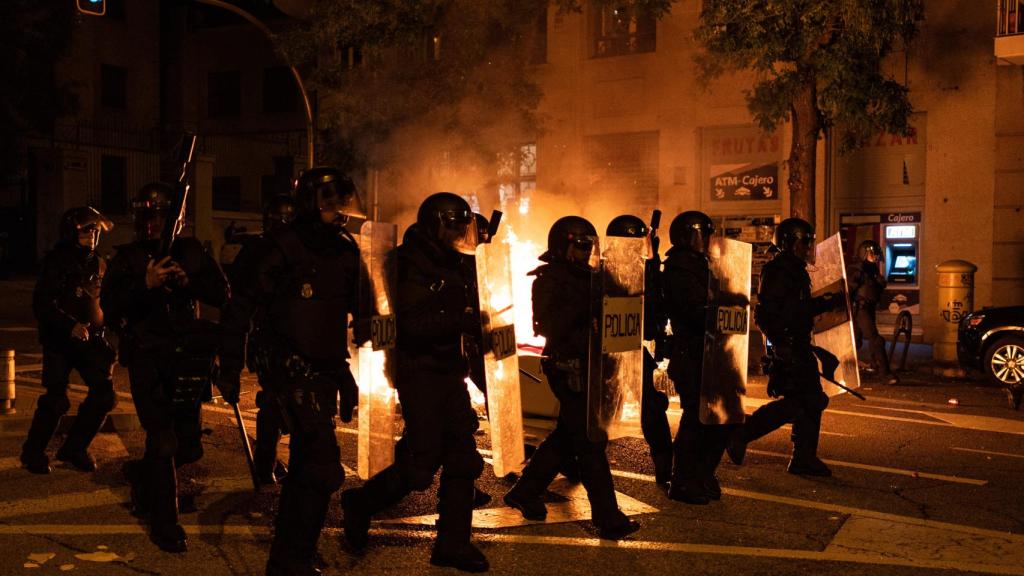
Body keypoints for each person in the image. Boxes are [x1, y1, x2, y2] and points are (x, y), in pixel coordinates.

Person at [219, 168, 363, 576]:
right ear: (311, 203)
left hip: (324, 369)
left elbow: (343, 316)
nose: (340, 211)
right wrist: (229, 366)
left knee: (305, 468)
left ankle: (291, 555)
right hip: (286, 365)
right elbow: (238, 310)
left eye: (343, 202)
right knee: (323, 467)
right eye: (331, 202)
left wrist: (345, 374)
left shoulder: (345, 251)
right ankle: (291, 557)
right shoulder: (277, 249)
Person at [340, 193, 489, 573]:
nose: (459, 231)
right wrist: (461, 319)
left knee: (463, 461)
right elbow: (411, 326)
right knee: (421, 466)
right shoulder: (408, 263)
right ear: (435, 223)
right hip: (418, 372)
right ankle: (360, 504)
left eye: (463, 224)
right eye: (453, 223)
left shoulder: (456, 262)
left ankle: (452, 545)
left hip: (449, 372)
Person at [102, 182, 229, 553]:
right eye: (145, 216)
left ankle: (143, 479)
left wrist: (188, 282)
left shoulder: (190, 250)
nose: (151, 223)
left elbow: (221, 293)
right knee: (163, 440)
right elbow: (111, 306)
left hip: (187, 356)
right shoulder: (126, 258)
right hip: (148, 357)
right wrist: (146, 283)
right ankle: (165, 523)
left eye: (158, 216)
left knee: (188, 446)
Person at [502, 216, 640, 540]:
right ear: (562, 245)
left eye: (588, 245)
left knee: (567, 436)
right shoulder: (549, 279)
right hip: (569, 368)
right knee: (590, 443)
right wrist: (589, 303)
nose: (585, 251)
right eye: (579, 245)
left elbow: (625, 301)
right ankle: (608, 518)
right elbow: (550, 325)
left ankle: (525, 491)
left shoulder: (594, 276)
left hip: (595, 367)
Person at [726, 218, 835, 477]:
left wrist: (827, 303)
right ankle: (743, 431)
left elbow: (798, 310)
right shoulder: (778, 271)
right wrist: (780, 346)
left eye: (809, 241)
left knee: (811, 400)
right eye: (804, 241)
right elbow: (765, 315)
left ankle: (803, 457)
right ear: (788, 243)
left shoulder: (796, 269)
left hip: (799, 344)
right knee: (804, 401)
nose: (808, 247)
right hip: (788, 346)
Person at [21, 207, 117, 475]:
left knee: (104, 395)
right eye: (86, 230)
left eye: (95, 230)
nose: (92, 235)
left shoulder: (99, 262)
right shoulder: (57, 261)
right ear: (72, 231)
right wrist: (69, 325)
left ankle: (74, 448)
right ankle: (33, 452)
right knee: (56, 400)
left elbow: (105, 300)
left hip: (91, 340)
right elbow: (42, 303)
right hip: (60, 340)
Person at [661, 211, 734, 503]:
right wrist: (717, 311)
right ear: (686, 236)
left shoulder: (702, 265)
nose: (705, 240)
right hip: (691, 354)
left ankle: (702, 473)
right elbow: (690, 310)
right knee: (695, 419)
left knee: (719, 417)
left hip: (711, 352)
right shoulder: (679, 269)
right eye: (700, 234)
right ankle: (682, 481)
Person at [226, 194, 297, 485]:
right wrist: (231, 367)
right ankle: (265, 466)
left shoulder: (304, 251)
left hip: (302, 342)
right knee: (275, 403)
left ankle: (276, 467)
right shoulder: (257, 253)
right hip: (270, 341)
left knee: (296, 407)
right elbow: (238, 309)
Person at [605, 214, 672, 485]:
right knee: (599, 412)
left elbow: (655, 303)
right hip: (607, 350)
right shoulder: (604, 269)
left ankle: (666, 462)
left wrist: (653, 261)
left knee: (651, 406)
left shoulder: (644, 267)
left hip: (631, 346)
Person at [848, 240, 898, 385]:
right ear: (864, 253)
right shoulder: (856, 269)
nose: (875, 256)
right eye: (872, 253)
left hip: (868, 308)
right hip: (860, 309)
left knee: (855, 341)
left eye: (876, 253)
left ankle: (850, 369)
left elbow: (874, 289)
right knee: (876, 340)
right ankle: (885, 373)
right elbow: (849, 290)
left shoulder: (872, 269)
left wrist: (879, 284)